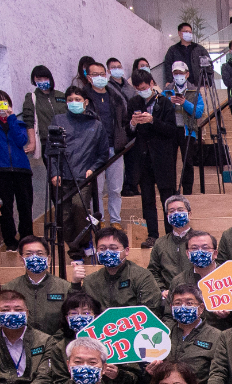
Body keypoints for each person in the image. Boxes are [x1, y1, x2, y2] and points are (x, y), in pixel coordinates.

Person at [50, 86, 108, 264]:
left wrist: (93, 168)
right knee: (64, 216)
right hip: (62, 177)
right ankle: (74, 250)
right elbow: (50, 151)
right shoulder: (58, 121)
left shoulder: (96, 125)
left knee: (79, 208)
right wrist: (54, 172)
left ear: (86, 102)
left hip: (83, 177)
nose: (73, 103)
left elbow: (103, 154)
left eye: (77, 99)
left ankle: (83, 244)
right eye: (70, 100)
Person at [128, 68, 181, 247]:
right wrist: (133, 123)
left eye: (144, 87)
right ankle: (152, 235)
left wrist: (152, 120)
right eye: (138, 89)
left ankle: (170, 234)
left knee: (167, 197)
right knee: (147, 198)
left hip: (163, 157)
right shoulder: (133, 102)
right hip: (143, 157)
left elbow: (171, 130)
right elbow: (128, 132)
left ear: (151, 84)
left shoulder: (164, 102)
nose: (141, 91)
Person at [0, 290, 64, 384]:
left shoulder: (46, 341)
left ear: (27, 313)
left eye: (18, 310)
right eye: (5, 310)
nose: (12, 314)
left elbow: (45, 377)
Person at [0, 90, 34, 251]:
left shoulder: (18, 123)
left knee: (25, 205)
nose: (0, 106)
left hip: (21, 169)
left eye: (3, 101)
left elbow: (21, 140)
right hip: (1, 170)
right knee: (5, 208)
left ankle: (27, 237)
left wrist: (11, 118)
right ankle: (10, 240)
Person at [82, 59, 130, 227]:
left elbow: (124, 120)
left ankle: (115, 220)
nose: (100, 77)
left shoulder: (115, 96)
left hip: (115, 148)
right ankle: (99, 221)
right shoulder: (84, 98)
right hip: (94, 151)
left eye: (102, 74)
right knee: (96, 189)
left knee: (115, 189)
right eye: (95, 74)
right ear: (89, 77)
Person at [82, 226, 163, 315]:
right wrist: (75, 284)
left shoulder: (142, 277)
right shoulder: (89, 282)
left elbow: (150, 313)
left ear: (126, 251)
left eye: (113, 248)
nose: (107, 253)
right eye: (102, 249)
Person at [3, 237, 72, 339]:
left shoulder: (65, 288)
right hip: (21, 344)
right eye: (29, 254)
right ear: (22, 259)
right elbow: (4, 324)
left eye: (39, 254)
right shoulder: (9, 289)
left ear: (48, 259)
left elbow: (68, 324)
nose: (34, 258)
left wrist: (51, 343)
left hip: (56, 344)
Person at [168, 230, 232, 332]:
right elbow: (169, 316)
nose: (200, 252)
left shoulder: (231, 277)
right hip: (189, 336)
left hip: (223, 335)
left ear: (215, 253)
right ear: (187, 253)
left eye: (205, 248)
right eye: (194, 248)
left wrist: (229, 315)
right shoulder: (179, 281)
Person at [161, 284, 222, 384]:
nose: (183, 307)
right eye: (178, 303)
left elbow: (219, 375)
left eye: (189, 303)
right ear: (171, 307)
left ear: (201, 308)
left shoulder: (217, 337)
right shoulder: (163, 333)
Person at [164, 64, 209, 195]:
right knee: (169, 162)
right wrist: (169, 102)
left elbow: (198, 112)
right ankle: (171, 191)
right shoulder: (167, 90)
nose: (179, 76)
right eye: (176, 73)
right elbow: (159, 108)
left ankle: (188, 190)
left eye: (181, 73)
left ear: (187, 74)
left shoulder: (194, 91)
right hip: (170, 130)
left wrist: (184, 102)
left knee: (187, 162)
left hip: (188, 130)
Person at [21, 65, 64, 162]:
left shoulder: (61, 95)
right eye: (39, 79)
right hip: (47, 142)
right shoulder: (32, 98)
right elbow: (29, 121)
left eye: (45, 78)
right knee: (52, 169)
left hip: (66, 140)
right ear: (34, 81)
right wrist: (32, 142)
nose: (43, 81)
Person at [166, 23, 212, 88]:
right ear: (179, 33)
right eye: (186, 31)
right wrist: (169, 81)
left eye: (190, 32)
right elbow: (168, 67)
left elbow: (209, 66)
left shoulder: (199, 49)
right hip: (179, 85)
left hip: (198, 85)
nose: (188, 34)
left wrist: (207, 82)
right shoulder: (173, 50)